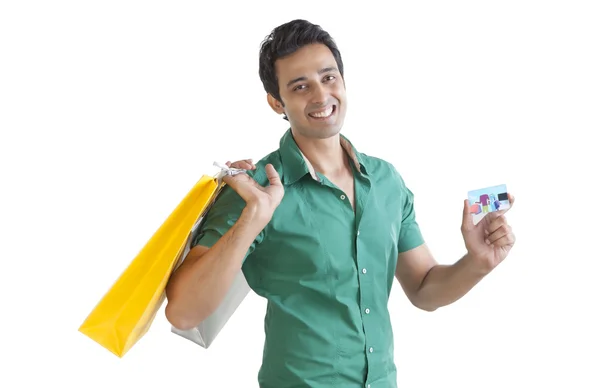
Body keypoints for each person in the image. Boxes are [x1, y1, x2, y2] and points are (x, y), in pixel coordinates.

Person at [165, 19, 516, 388]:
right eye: (300, 86)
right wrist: (251, 219)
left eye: (328, 78)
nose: (320, 96)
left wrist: (477, 263)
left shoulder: (386, 182)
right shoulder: (252, 190)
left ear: (344, 82)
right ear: (275, 102)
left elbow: (425, 290)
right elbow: (185, 311)